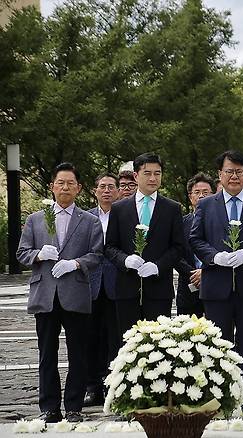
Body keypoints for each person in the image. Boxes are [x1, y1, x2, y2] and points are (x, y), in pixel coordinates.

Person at [189, 150, 243, 420]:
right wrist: (214, 257)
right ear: (220, 175)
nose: (234, 176)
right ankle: (219, 399)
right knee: (217, 347)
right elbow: (195, 239)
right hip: (216, 287)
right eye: (229, 171)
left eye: (239, 171)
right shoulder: (206, 205)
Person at [17, 162, 104, 423]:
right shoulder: (36, 218)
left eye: (70, 183)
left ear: (78, 188)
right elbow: (22, 252)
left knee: (78, 353)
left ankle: (74, 406)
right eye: (60, 183)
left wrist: (75, 263)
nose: (65, 187)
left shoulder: (89, 221)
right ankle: (49, 407)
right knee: (46, 354)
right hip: (45, 294)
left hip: (75, 293)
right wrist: (39, 254)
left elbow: (97, 255)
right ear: (52, 186)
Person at [105, 153, 184, 335]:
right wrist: (125, 260)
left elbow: (178, 247)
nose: (153, 178)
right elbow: (109, 247)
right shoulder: (119, 208)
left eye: (157, 173)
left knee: (158, 345)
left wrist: (158, 266)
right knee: (127, 344)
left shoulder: (172, 208)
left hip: (159, 290)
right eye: (147, 173)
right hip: (127, 288)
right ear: (135, 176)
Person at [84, 173, 120, 407]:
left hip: (118, 284)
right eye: (102, 187)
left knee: (115, 338)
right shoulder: (85, 217)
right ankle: (92, 386)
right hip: (91, 285)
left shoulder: (125, 214)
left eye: (111, 187)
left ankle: (113, 385)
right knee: (90, 338)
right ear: (95, 191)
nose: (106, 191)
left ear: (117, 191)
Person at [175, 172, 214, 318]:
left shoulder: (222, 223)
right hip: (188, 286)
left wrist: (206, 271)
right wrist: (193, 274)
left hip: (215, 285)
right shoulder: (180, 223)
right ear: (190, 197)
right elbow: (175, 252)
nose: (201, 196)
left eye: (206, 192)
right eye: (197, 192)